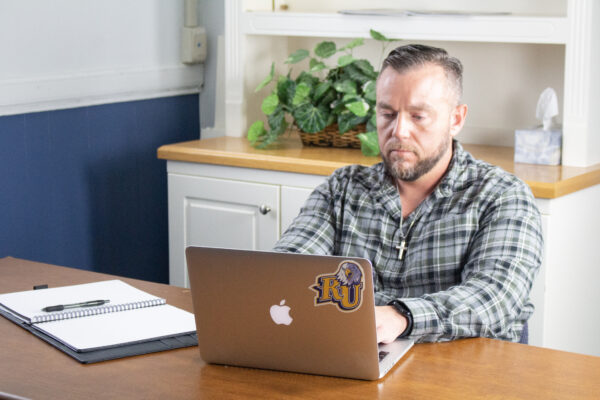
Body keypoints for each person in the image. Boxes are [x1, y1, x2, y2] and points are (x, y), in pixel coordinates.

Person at [273, 44, 543, 344]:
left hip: (470, 373)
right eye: (387, 113)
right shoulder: (343, 189)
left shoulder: (502, 196)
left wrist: (402, 316)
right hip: (362, 363)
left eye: (418, 116)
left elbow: (496, 297)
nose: (398, 131)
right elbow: (288, 268)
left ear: (456, 119)